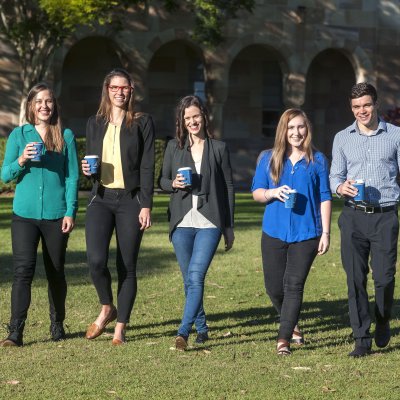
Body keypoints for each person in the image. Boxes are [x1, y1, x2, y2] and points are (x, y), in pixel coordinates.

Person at [0, 82, 79, 346]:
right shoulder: (18, 135)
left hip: (56, 215)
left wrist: (70, 211)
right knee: (23, 272)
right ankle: (15, 332)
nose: (45, 106)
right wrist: (21, 159)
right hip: (24, 215)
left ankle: (57, 325)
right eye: (39, 101)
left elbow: (72, 177)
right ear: (31, 106)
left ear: (54, 105)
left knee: (55, 271)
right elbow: (5, 175)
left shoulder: (64, 135)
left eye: (49, 101)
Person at [82, 68, 155, 345]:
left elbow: (148, 165)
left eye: (124, 88)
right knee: (96, 260)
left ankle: (120, 328)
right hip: (100, 198)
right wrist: (87, 169)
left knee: (127, 265)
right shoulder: (94, 122)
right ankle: (106, 307)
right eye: (114, 88)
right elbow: (92, 164)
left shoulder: (142, 122)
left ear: (131, 90)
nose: (119, 92)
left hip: (130, 200)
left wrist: (146, 205)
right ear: (107, 89)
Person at [252, 108, 332, 355]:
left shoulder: (317, 160)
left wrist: (326, 233)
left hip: (307, 232)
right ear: (283, 131)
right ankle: (293, 324)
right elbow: (256, 192)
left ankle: (283, 340)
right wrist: (272, 193)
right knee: (274, 288)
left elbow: (325, 197)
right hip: (274, 231)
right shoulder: (268, 158)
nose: (296, 132)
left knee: (294, 285)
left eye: (300, 127)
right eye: (291, 128)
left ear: (307, 129)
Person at [330, 82, 400, 357]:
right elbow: (335, 175)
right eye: (357, 107)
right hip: (353, 217)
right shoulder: (342, 138)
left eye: (366, 105)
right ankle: (361, 337)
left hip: (385, 217)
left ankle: (382, 318)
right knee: (355, 279)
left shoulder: (395, 135)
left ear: (376, 104)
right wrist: (339, 187)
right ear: (351, 108)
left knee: (384, 279)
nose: (362, 111)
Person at [160, 95, 235, 351]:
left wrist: (229, 226)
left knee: (195, 275)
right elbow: (162, 181)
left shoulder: (219, 147)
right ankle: (202, 327)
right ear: (182, 121)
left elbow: (228, 187)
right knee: (189, 280)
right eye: (187, 118)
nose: (192, 121)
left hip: (209, 221)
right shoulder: (174, 147)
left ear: (204, 116)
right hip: (181, 221)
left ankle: (183, 331)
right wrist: (174, 185)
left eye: (196, 116)